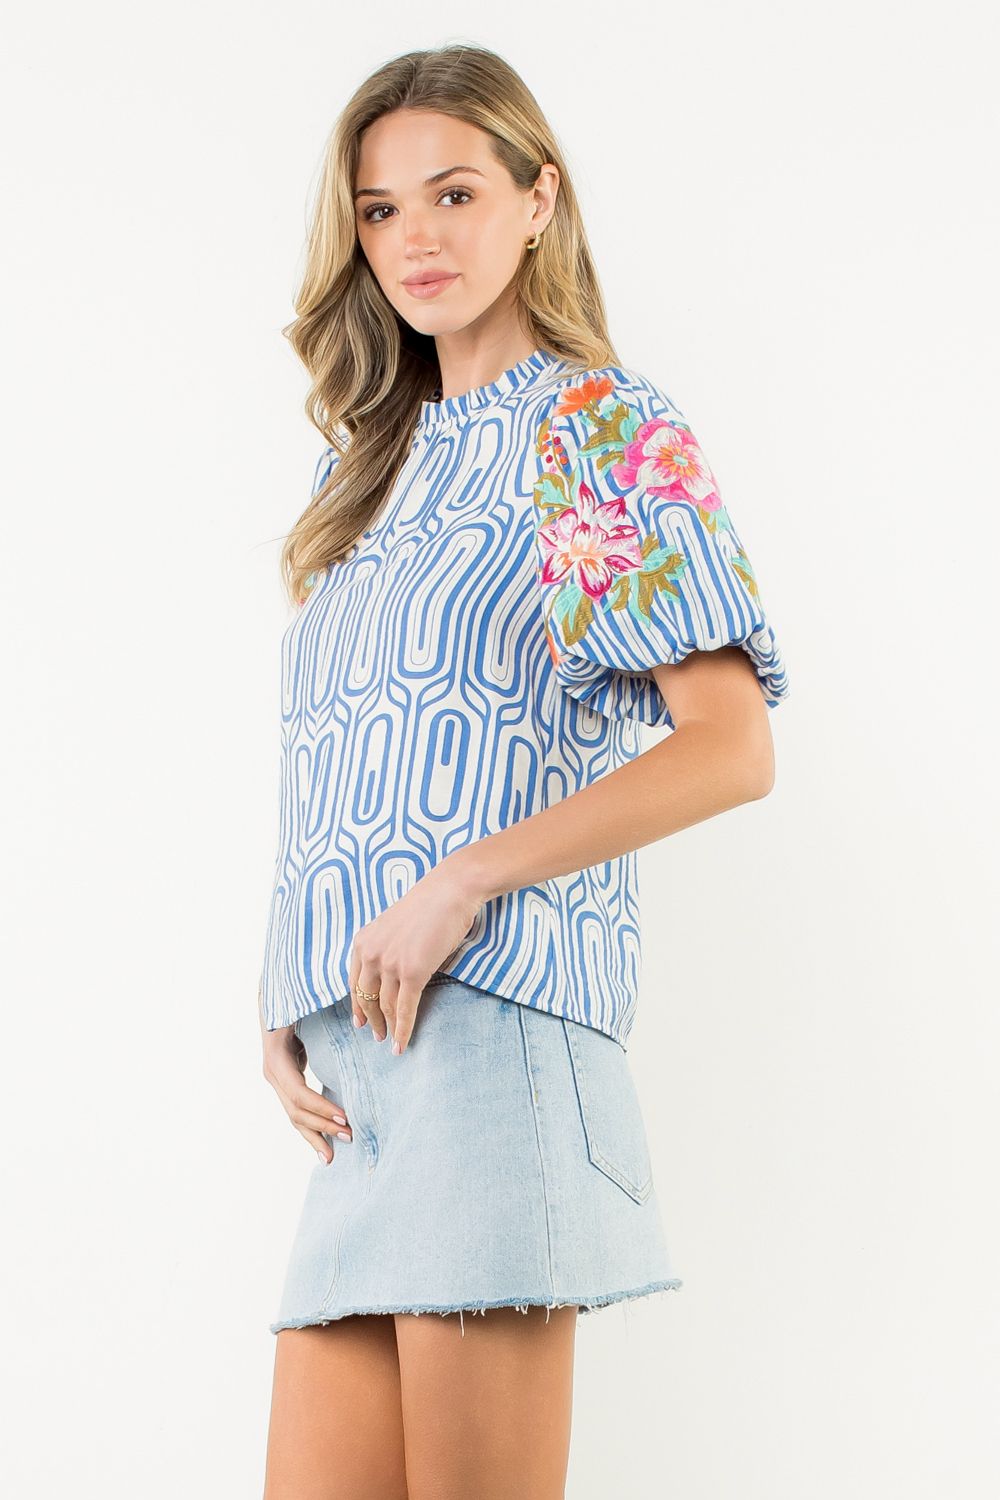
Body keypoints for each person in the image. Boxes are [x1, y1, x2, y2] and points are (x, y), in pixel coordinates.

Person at [258, 43, 790, 1500]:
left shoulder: (599, 432)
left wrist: (464, 880)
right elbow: (336, 753)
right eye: (378, 211)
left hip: (497, 1032)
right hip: (364, 1069)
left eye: (453, 192)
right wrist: (283, 986)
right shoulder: (360, 473)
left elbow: (732, 743)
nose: (414, 238)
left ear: (538, 199)